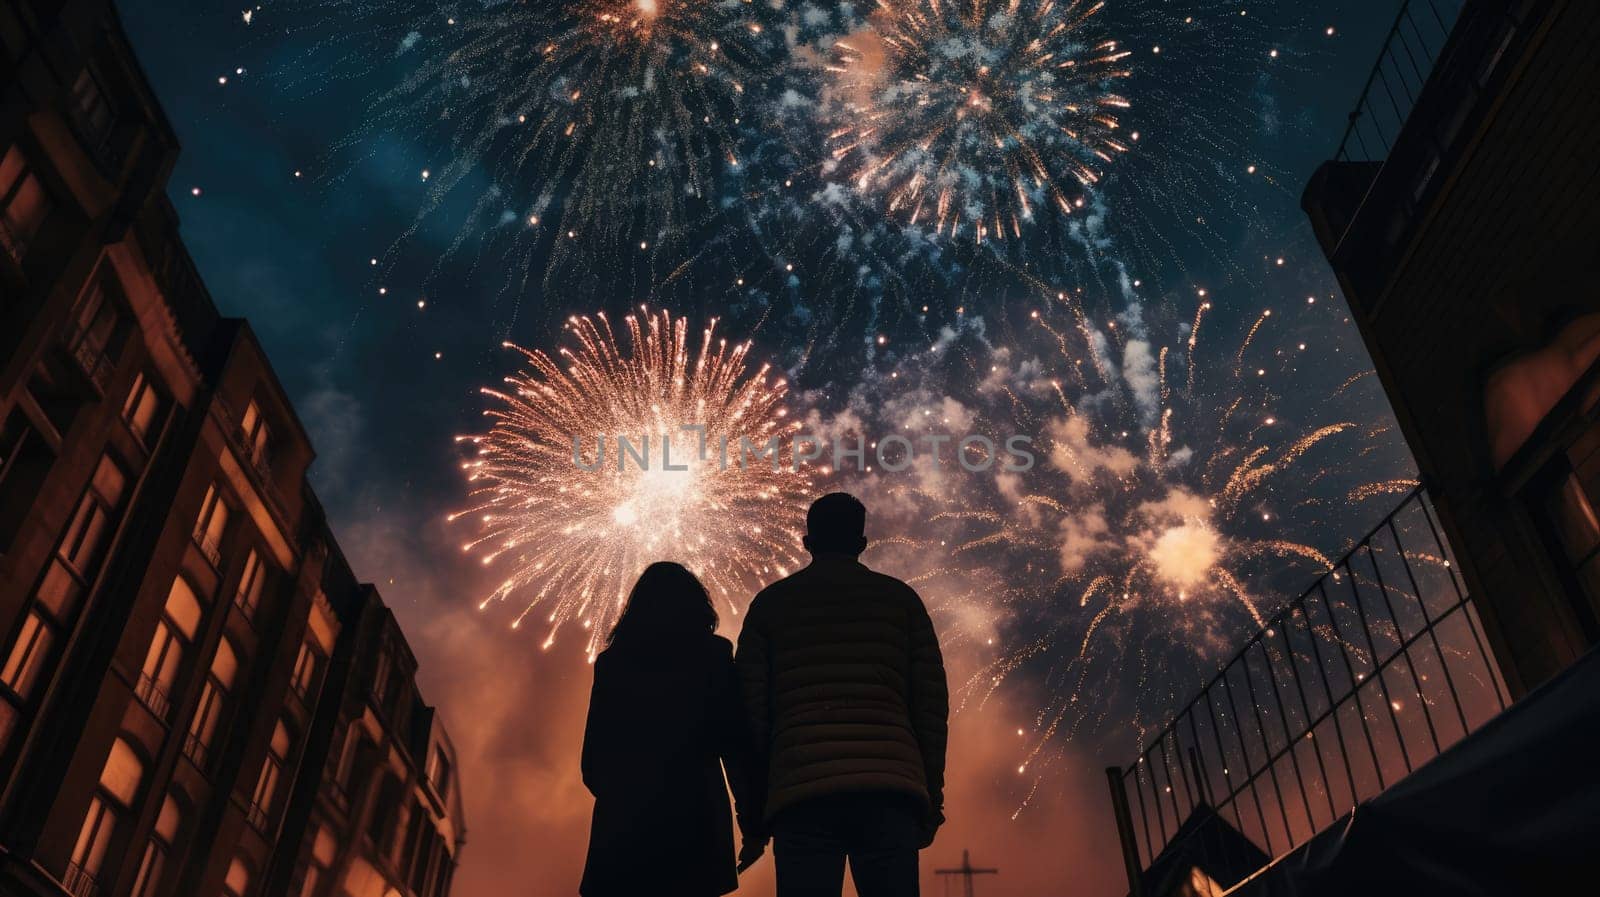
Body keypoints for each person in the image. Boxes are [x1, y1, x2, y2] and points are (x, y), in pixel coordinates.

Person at [736, 492, 950, 897]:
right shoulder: (901, 601)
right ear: (862, 543)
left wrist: (755, 813)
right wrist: (929, 796)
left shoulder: (770, 606)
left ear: (807, 542)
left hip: (802, 794)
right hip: (890, 791)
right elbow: (930, 708)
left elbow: (750, 716)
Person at [579, 562, 764, 897]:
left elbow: (592, 766)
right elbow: (736, 747)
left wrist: (625, 799)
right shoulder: (714, 657)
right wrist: (752, 827)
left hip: (623, 833)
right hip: (696, 826)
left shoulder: (612, 664)